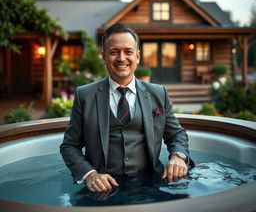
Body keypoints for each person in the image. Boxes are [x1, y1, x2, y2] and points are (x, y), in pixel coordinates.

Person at [60, 23, 194, 193]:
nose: (121, 58)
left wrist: (178, 157)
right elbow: (69, 146)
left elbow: (176, 134)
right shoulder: (85, 96)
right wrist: (90, 175)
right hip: (103, 187)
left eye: (128, 52)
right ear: (104, 56)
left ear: (137, 57)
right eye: (114, 52)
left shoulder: (158, 93)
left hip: (151, 182)